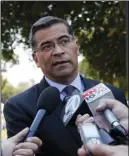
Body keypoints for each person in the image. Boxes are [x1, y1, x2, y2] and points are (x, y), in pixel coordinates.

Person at [4, 16, 128, 156]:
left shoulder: (113, 93)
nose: (58, 51)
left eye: (64, 41)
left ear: (76, 47)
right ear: (36, 59)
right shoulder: (18, 107)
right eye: (47, 46)